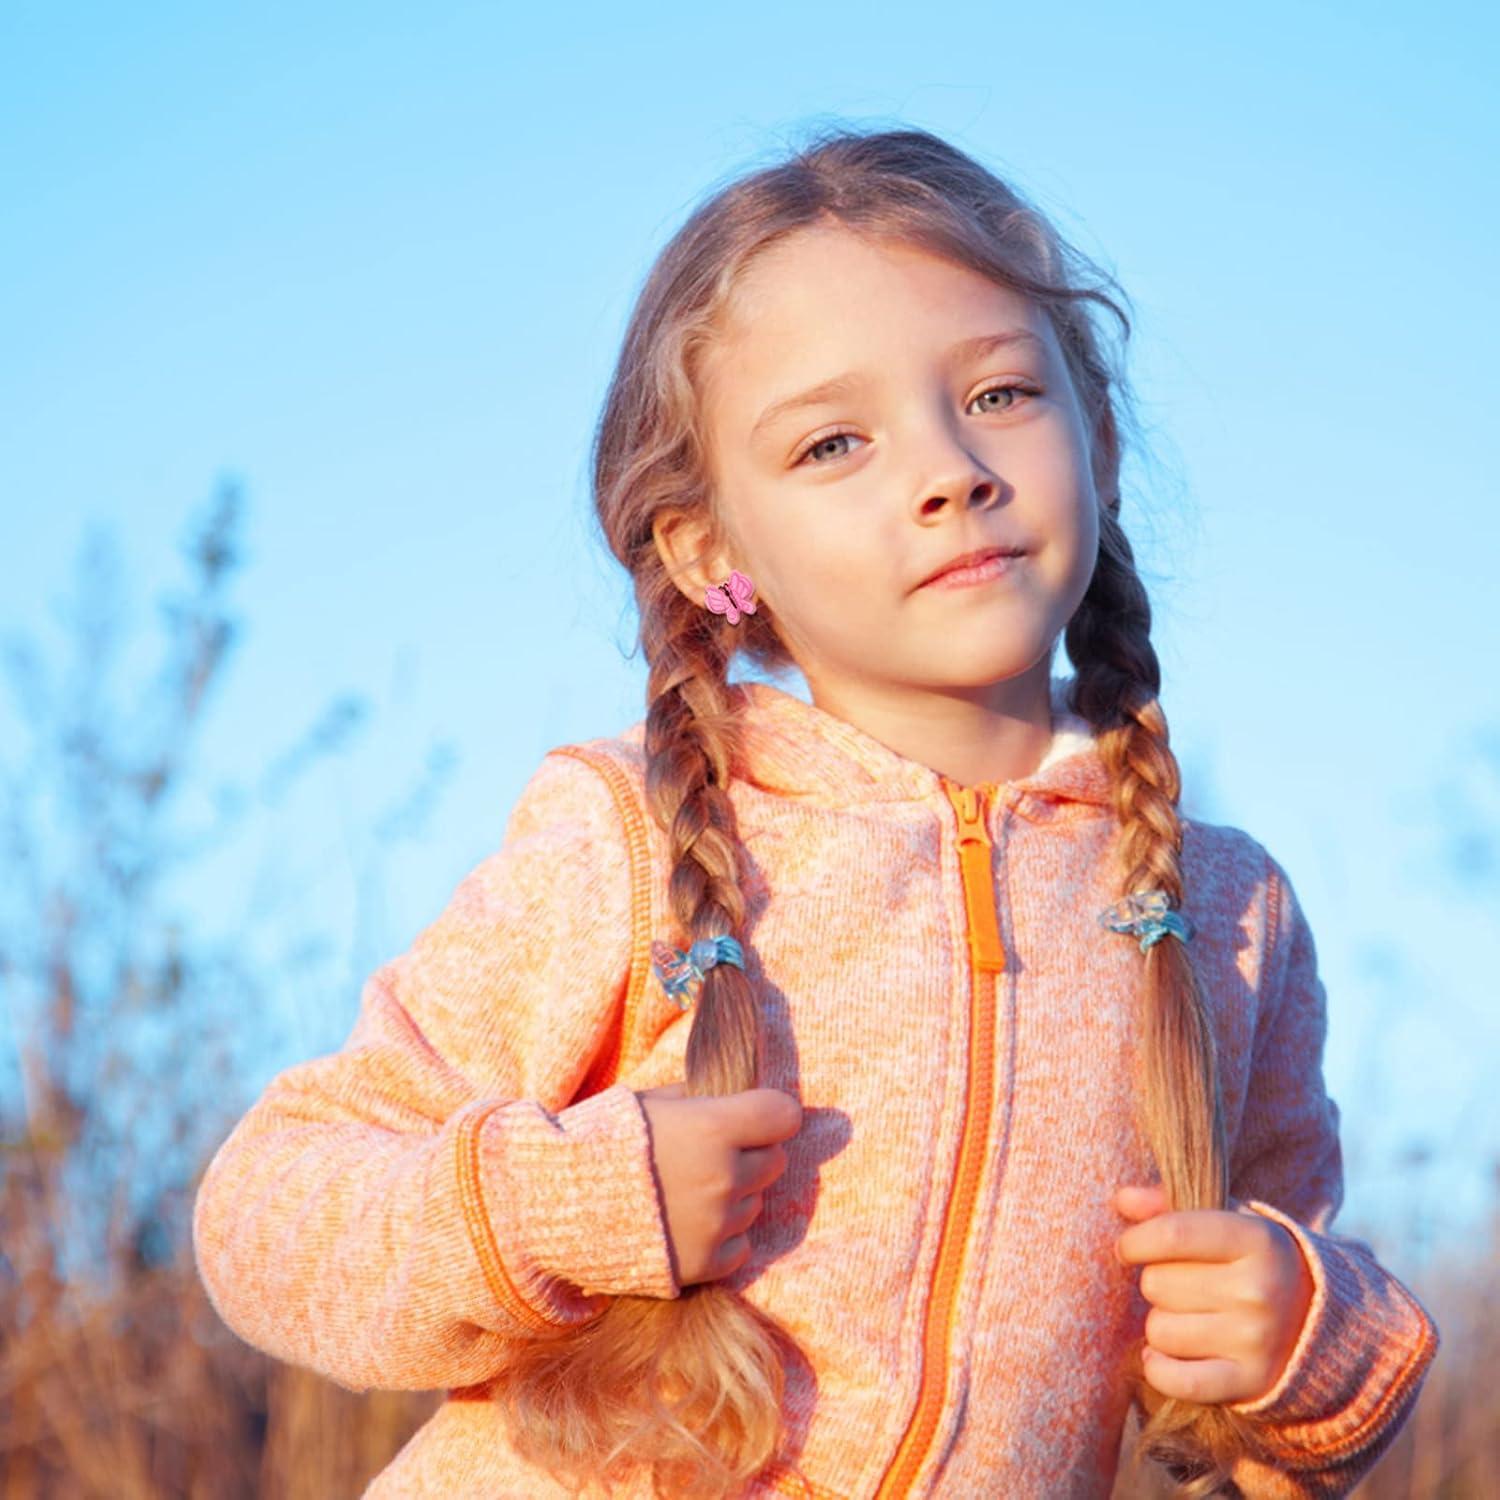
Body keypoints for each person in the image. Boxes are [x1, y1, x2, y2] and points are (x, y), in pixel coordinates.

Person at [191, 125, 1439, 1499]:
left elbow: (1261, 1413)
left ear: (1101, 439)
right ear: (713, 552)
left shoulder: (1228, 915)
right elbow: (267, 1219)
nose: (948, 468)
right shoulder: (625, 837)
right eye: (834, 441)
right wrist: (569, 1204)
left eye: (1004, 394)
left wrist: (1311, 1344)